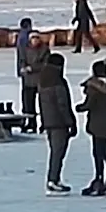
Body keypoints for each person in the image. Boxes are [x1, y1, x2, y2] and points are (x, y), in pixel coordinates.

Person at [77, 58, 106, 196]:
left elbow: (89, 104)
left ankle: (99, 179)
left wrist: (79, 107)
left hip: (97, 124)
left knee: (97, 153)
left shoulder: (94, 87)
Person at [39, 52, 76, 194]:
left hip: (48, 121)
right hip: (59, 122)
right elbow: (63, 104)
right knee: (58, 152)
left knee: (55, 152)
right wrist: (70, 121)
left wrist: (43, 121)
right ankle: (53, 180)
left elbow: (41, 104)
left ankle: (53, 179)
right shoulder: (58, 81)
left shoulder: (43, 80)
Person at [19, 30, 49, 132]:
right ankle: (31, 123)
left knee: (43, 104)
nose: (35, 40)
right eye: (33, 38)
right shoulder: (25, 49)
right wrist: (23, 68)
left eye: (37, 38)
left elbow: (45, 64)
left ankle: (44, 123)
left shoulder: (44, 50)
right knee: (28, 104)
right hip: (28, 80)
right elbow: (22, 60)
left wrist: (32, 68)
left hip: (41, 80)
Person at [15, 16, 34, 121]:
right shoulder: (25, 37)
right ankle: (29, 118)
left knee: (26, 94)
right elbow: (23, 53)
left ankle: (27, 116)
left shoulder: (20, 36)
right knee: (28, 95)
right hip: (27, 70)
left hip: (23, 68)